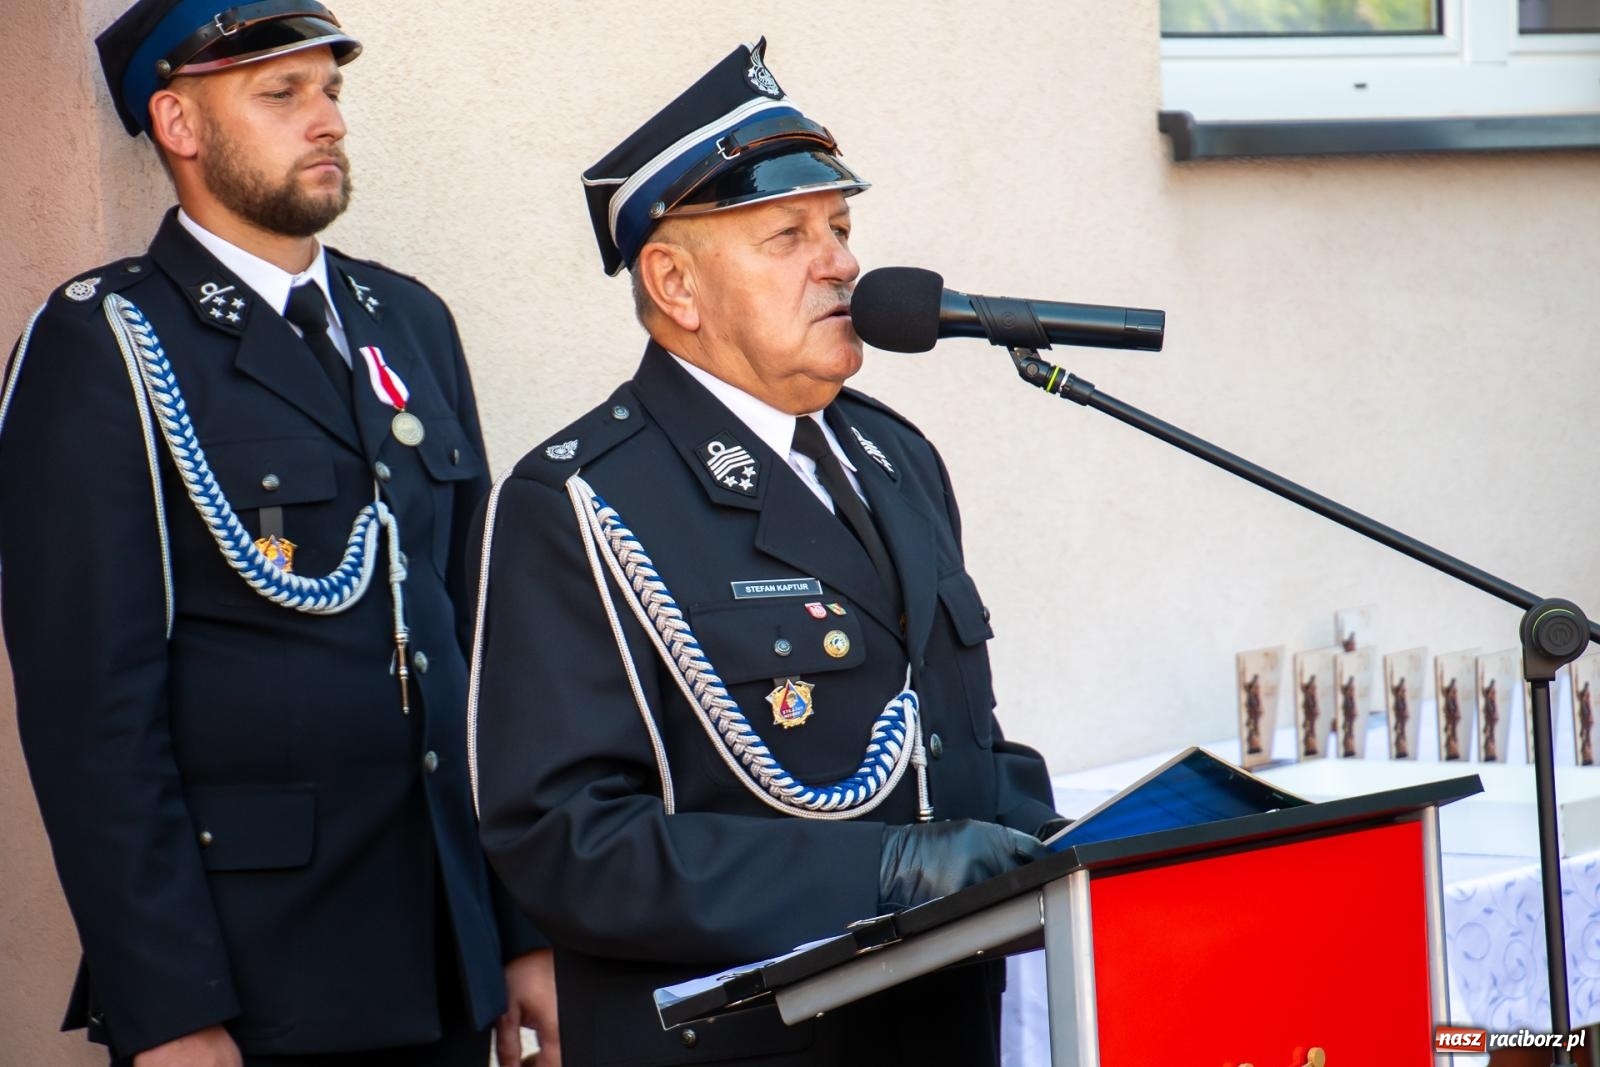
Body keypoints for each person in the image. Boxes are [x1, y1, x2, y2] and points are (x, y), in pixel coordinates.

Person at [469, 39, 1062, 1067]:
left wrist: (1080, 852)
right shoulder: (581, 496)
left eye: (838, 226)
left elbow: (955, 748)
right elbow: (568, 847)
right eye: (786, 235)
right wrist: (882, 872)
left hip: (937, 1029)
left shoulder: (894, 456)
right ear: (675, 284)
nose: (839, 261)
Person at [0, 2, 556, 1064]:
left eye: (332, 90)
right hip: (256, 983)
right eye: (282, 93)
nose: (328, 121)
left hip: (444, 954)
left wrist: (518, 929)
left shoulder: (410, 322)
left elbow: (474, 650)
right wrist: (168, 1003)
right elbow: (90, 716)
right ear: (180, 123)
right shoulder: (104, 341)